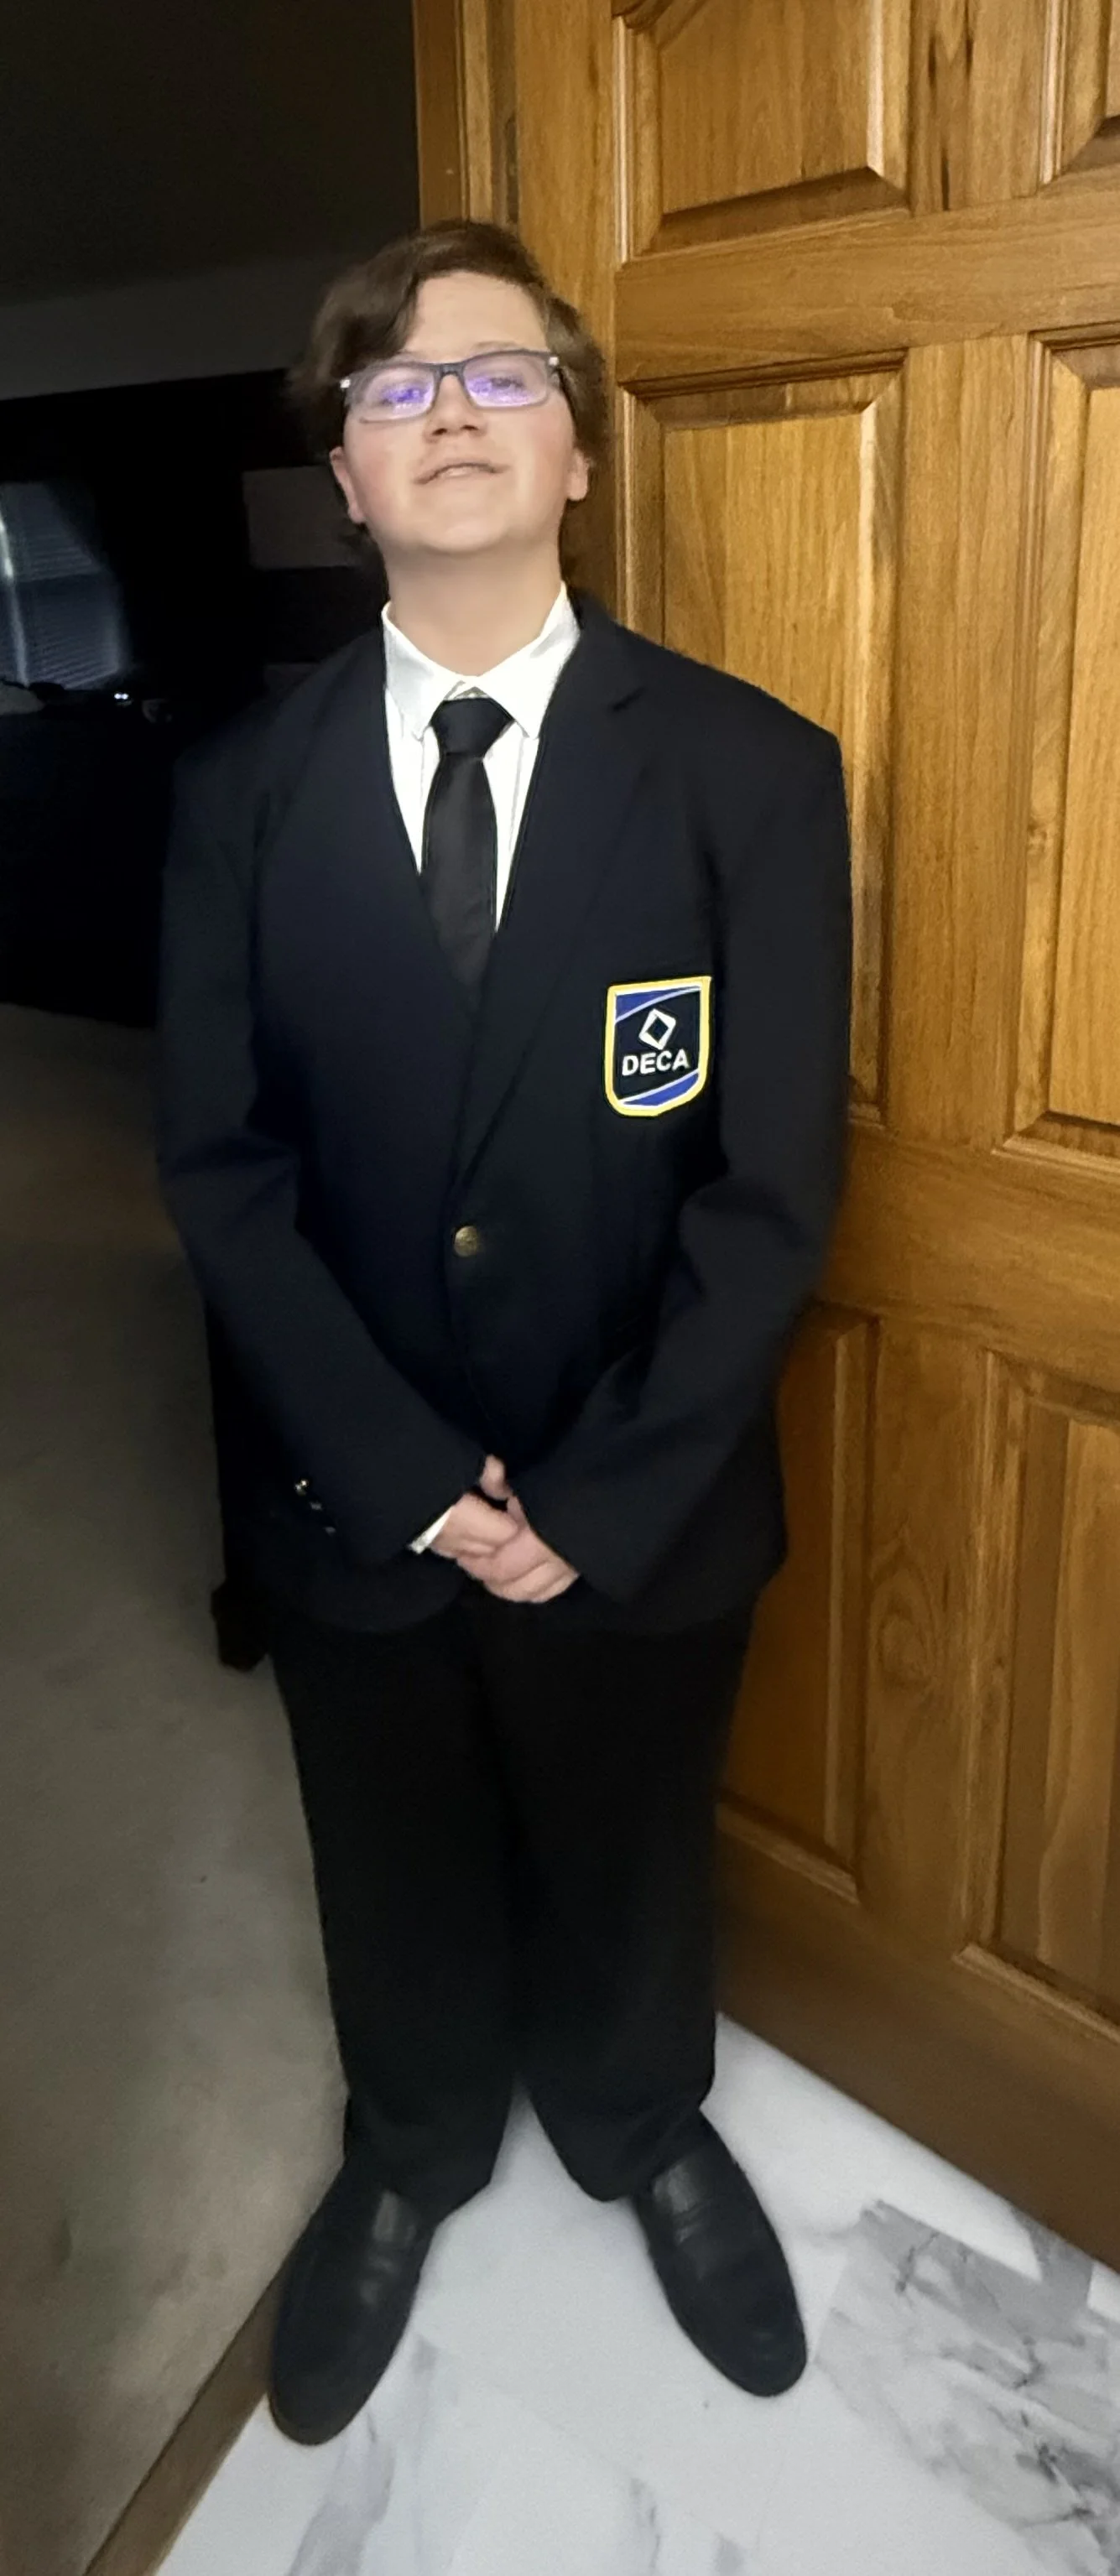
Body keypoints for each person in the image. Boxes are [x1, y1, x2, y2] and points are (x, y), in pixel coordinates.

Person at [156, 218, 852, 2449]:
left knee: (634, 1825)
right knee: (388, 1830)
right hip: (351, 1487)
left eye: (493, 377)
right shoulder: (236, 799)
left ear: (574, 455)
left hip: (634, 1490)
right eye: (390, 387)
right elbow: (221, 1172)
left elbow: (768, 1186)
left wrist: (595, 1491)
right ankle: (415, 2137)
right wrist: (402, 1482)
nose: (442, 411)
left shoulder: (748, 771)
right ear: (344, 479)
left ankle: (640, 2116)